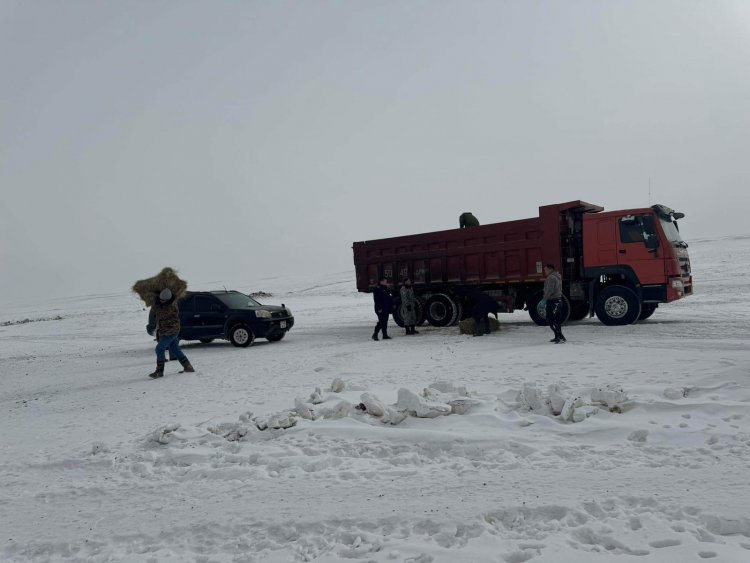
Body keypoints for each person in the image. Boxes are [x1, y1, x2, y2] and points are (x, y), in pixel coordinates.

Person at [146, 288, 195, 378]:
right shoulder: (163, 303)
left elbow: (160, 312)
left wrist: (154, 302)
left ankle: (159, 371)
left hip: (171, 331)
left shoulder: (171, 307)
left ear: (168, 299)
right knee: (175, 349)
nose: (161, 301)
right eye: (160, 299)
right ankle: (188, 367)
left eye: (163, 300)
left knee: (159, 349)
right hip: (166, 330)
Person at [542, 264, 566, 343]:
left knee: (551, 320)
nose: (544, 271)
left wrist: (544, 300)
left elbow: (549, 290)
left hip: (553, 301)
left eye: (545, 270)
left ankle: (559, 337)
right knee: (556, 320)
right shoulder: (558, 276)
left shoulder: (551, 278)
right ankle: (558, 336)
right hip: (558, 300)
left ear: (550, 269)